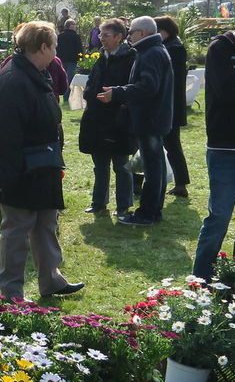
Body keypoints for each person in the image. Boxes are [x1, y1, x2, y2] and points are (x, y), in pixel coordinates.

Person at [0, 21, 83, 301]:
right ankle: (11, 291)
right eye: (54, 46)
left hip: (42, 163)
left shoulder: (36, 72)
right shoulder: (14, 79)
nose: (56, 52)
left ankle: (51, 280)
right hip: (22, 166)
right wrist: (8, 174)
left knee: (47, 222)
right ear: (43, 47)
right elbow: (7, 134)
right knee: (17, 227)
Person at [191, 7, 235, 279]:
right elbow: (226, 91)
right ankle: (201, 281)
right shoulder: (221, 47)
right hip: (226, 149)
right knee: (218, 218)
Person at [97, 16, 173, 227]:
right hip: (154, 118)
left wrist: (118, 92)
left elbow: (148, 86)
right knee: (154, 166)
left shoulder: (150, 53)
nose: (128, 36)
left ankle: (147, 213)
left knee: (152, 168)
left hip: (150, 119)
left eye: (131, 32)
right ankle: (153, 211)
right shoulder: (153, 50)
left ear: (143, 33)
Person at [80, 19, 136, 215]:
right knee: (100, 164)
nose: (101, 38)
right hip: (98, 119)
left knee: (121, 165)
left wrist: (118, 100)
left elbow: (133, 88)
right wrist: (88, 93)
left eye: (105, 35)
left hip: (118, 120)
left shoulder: (130, 58)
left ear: (119, 37)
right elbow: (92, 80)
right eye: (100, 34)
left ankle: (123, 206)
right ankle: (99, 203)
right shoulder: (101, 57)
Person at [156, 15, 191, 199]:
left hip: (171, 105)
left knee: (172, 145)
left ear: (165, 31)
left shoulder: (174, 49)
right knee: (171, 145)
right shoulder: (172, 46)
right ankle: (180, 182)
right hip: (170, 104)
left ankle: (181, 183)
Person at [57, 19, 83, 85]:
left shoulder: (60, 36)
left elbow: (56, 48)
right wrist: (81, 59)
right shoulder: (76, 36)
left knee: (63, 77)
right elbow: (79, 49)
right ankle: (67, 94)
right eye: (74, 25)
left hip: (62, 59)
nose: (75, 26)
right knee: (69, 78)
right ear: (71, 26)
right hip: (72, 60)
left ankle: (64, 92)